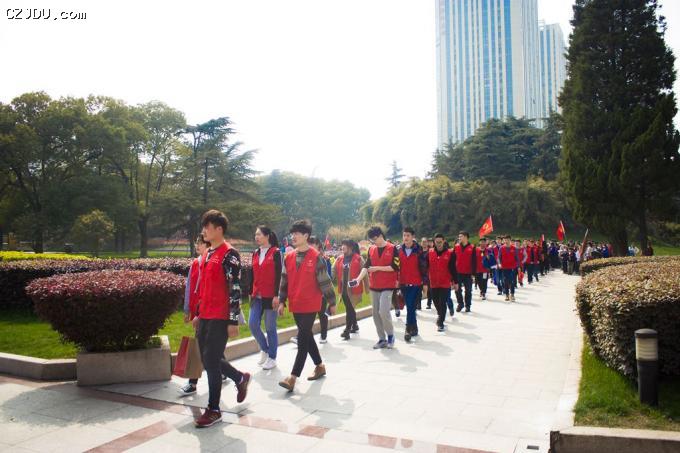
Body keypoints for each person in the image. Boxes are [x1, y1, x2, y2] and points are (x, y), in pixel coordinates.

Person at [193, 210, 251, 428]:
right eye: (204, 227)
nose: (204, 231)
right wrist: (198, 313)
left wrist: (233, 320)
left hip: (220, 316)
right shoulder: (208, 253)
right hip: (205, 315)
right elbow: (205, 287)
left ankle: (214, 409)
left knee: (211, 360)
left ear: (219, 229)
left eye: (207, 227)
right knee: (208, 358)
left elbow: (235, 288)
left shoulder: (230, 254)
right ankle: (240, 378)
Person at [278, 220, 337, 392]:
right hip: (296, 303)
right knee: (307, 335)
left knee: (302, 338)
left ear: (306, 236)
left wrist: (332, 301)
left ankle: (292, 377)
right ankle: (319, 366)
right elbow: (284, 280)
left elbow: (325, 281)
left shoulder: (316, 256)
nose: (293, 236)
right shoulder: (288, 257)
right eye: (292, 233)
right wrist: (281, 301)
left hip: (311, 303)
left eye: (297, 233)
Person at [180, 234, 231, 396]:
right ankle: (199, 380)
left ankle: (193, 382)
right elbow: (190, 287)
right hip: (200, 310)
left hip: (211, 312)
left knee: (205, 348)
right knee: (205, 347)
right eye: (197, 243)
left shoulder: (217, 262)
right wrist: (187, 309)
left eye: (201, 243)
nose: (197, 246)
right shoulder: (196, 263)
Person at [351, 226, 400, 349]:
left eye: (374, 239)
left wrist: (377, 268)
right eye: (371, 240)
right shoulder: (371, 249)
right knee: (375, 314)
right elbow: (366, 266)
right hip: (374, 286)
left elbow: (395, 267)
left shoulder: (393, 248)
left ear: (380, 236)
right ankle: (382, 339)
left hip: (387, 286)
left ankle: (390, 335)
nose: (373, 242)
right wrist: (358, 279)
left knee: (383, 311)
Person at [249, 225, 282, 371]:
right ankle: (265, 349)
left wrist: (277, 295)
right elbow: (252, 274)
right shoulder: (255, 253)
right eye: (255, 234)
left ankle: (272, 357)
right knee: (252, 324)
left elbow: (280, 275)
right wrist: (250, 291)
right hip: (256, 295)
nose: (256, 237)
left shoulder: (276, 252)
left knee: (270, 327)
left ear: (267, 236)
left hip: (271, 296)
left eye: (259, 234)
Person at [397, 226, 428, 342]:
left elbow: (424, 267)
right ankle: (414, 328)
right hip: (403, 283)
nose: (405, 238)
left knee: (410, 306)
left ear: (413, 237)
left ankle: (407, 329)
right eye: (404, 235)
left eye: (408, 235)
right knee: (410, 307)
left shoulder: (419, 250)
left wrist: (425, 283)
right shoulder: (398, 250)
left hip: (416, 284)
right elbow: (396, 267)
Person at [333, 239, 367, 340]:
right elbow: (333, 269)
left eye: (345, 245)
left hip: (354, 290)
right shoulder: (339, 258)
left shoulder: (359, 259)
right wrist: (331, 277)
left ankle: (347, 330)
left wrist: (367, 287)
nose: (342, 247)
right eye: (342, 245)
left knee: (350, 309)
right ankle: (355, 325)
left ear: (351, 247)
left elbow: (365, 273)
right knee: (349, 308)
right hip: (343, 289)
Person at [428, 233, 458, 331]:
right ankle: (440, 315)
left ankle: (440, 322)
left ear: (444, 241)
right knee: (436, 302)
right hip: (433, 282)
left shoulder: (450, 253)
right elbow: (426, 266)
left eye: (440, 242)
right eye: (437, 242)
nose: (439, 244)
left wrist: (456, 282)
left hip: (445, 283)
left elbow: (453, 269)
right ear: (434, 242)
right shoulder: (430, 252)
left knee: (442, 302)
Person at [308, 236, 332, 343]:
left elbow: (328, 277)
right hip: (310, 292)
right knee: (308, 314)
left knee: (322, 314)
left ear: (318, 245)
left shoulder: (323, 259)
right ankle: (302, 335)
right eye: (309, 243)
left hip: (321, 292)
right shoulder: (307, 257)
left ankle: (323, 336)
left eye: (312, 243)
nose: (310, 246)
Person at [453, 231, 476, 313]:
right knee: (457, 290)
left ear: (466, 237)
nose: (459, 238)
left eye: (461, 236)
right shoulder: (456, 246)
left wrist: (473, 274)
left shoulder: (472, 247)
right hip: (458, 272)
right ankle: (460, 303)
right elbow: (453, 259)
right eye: (459, 236)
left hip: (468, 273)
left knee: (468, 290)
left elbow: (474, 261)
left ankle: (468, 306)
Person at [497, 236, 518, 302]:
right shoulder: (501, 248)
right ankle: (507, 295)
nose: (506, 241)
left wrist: (518, 266)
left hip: (512, 267)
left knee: (512, 281)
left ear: (510, 240)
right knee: (505, 281)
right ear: (504, 240)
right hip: (504, 267)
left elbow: (517, 258)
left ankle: (512, 294)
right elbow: (498, 257)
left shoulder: (514, 248)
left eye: (508, 240)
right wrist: (499, 264)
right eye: (505, 240)